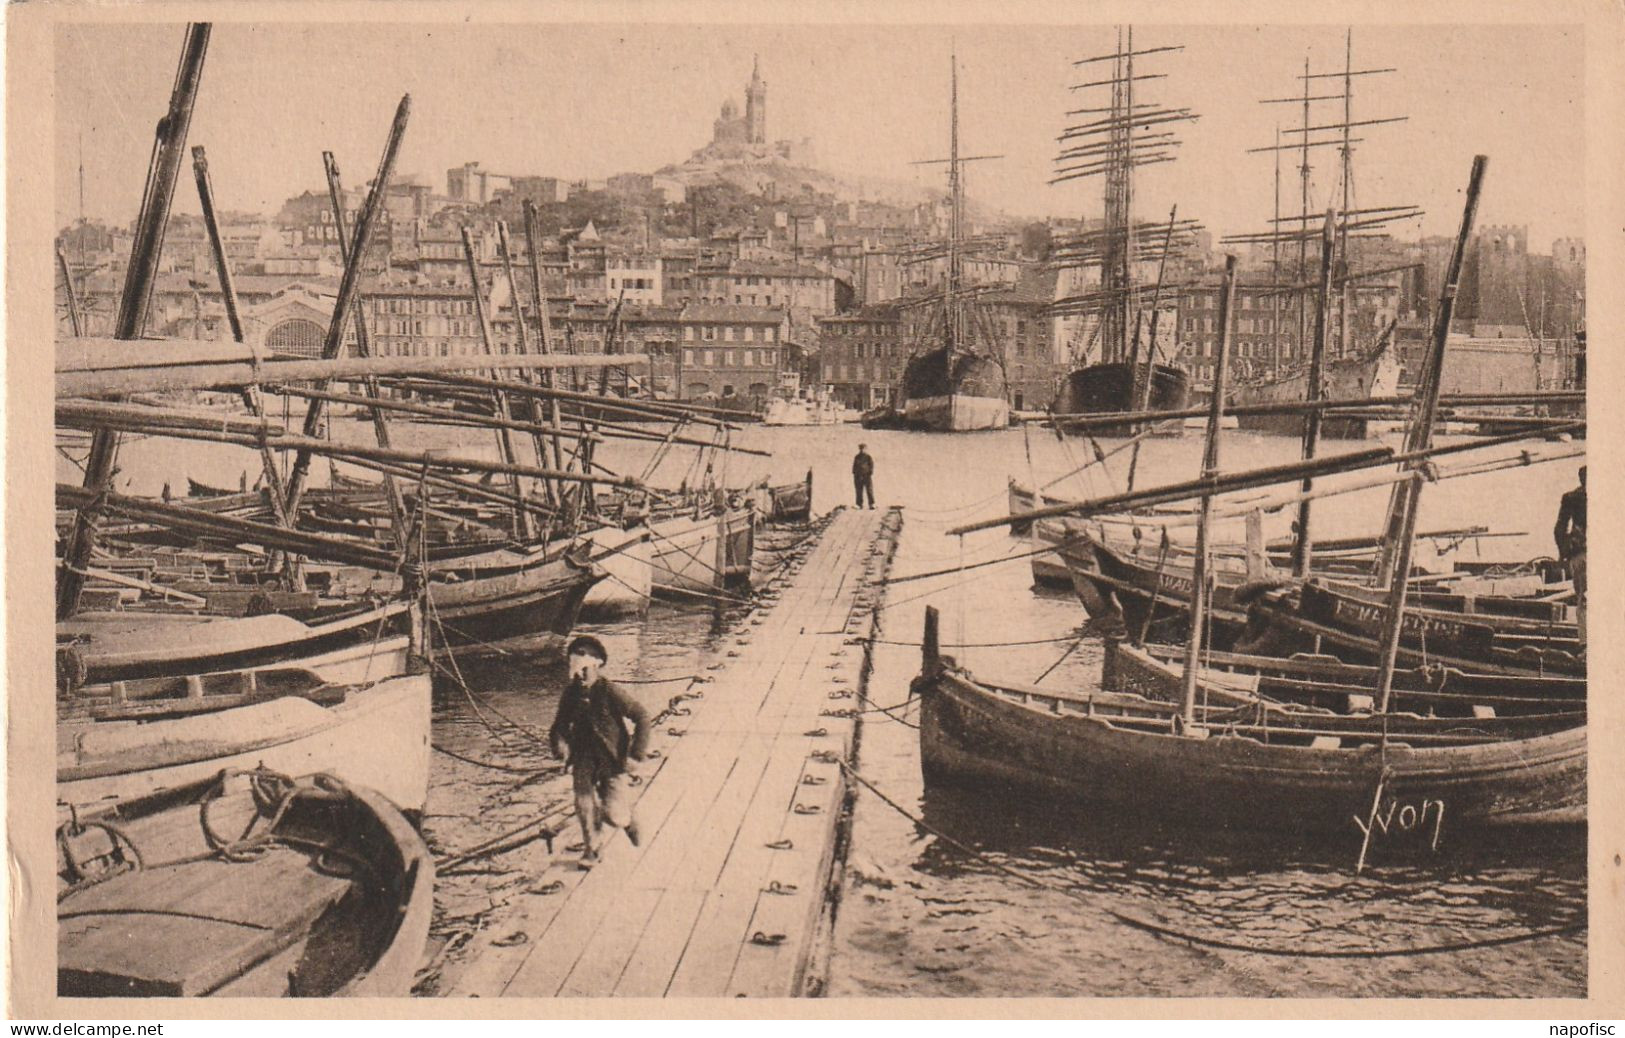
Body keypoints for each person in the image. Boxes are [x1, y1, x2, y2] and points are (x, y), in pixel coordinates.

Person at [548, 635, 651, 867]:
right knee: (583, 803)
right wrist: (560, 748)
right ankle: (592, 849)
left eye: (586, 670)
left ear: (598, 665)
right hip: (583, 757)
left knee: (615, 815)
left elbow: (642, 716)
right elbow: (559, 727)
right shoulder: (571, 694)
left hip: (611, 758)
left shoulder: (610, 691)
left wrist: (636, 755)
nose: (581, 676)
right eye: (577, 670)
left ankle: (627, 820)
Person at [1554, 466, 1586, 642]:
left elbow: (1559, 529)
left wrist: (1562, 554)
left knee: (1584, 599)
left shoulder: (1571, 497)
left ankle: (1586, 644)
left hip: (1579, 554)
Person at [852, 443, 876, 509]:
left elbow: (871, 465)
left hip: (866, 476)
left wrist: (869, 473)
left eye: (863, 449)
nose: (862, 450)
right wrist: (855, 474)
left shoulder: (868, 457)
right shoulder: (857, 457)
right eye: (861, 449)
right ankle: (859, 504)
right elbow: (854, 466)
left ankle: (872, 504)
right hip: (858, 476)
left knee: (869, 490)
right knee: (859, 490)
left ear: (866, 449)